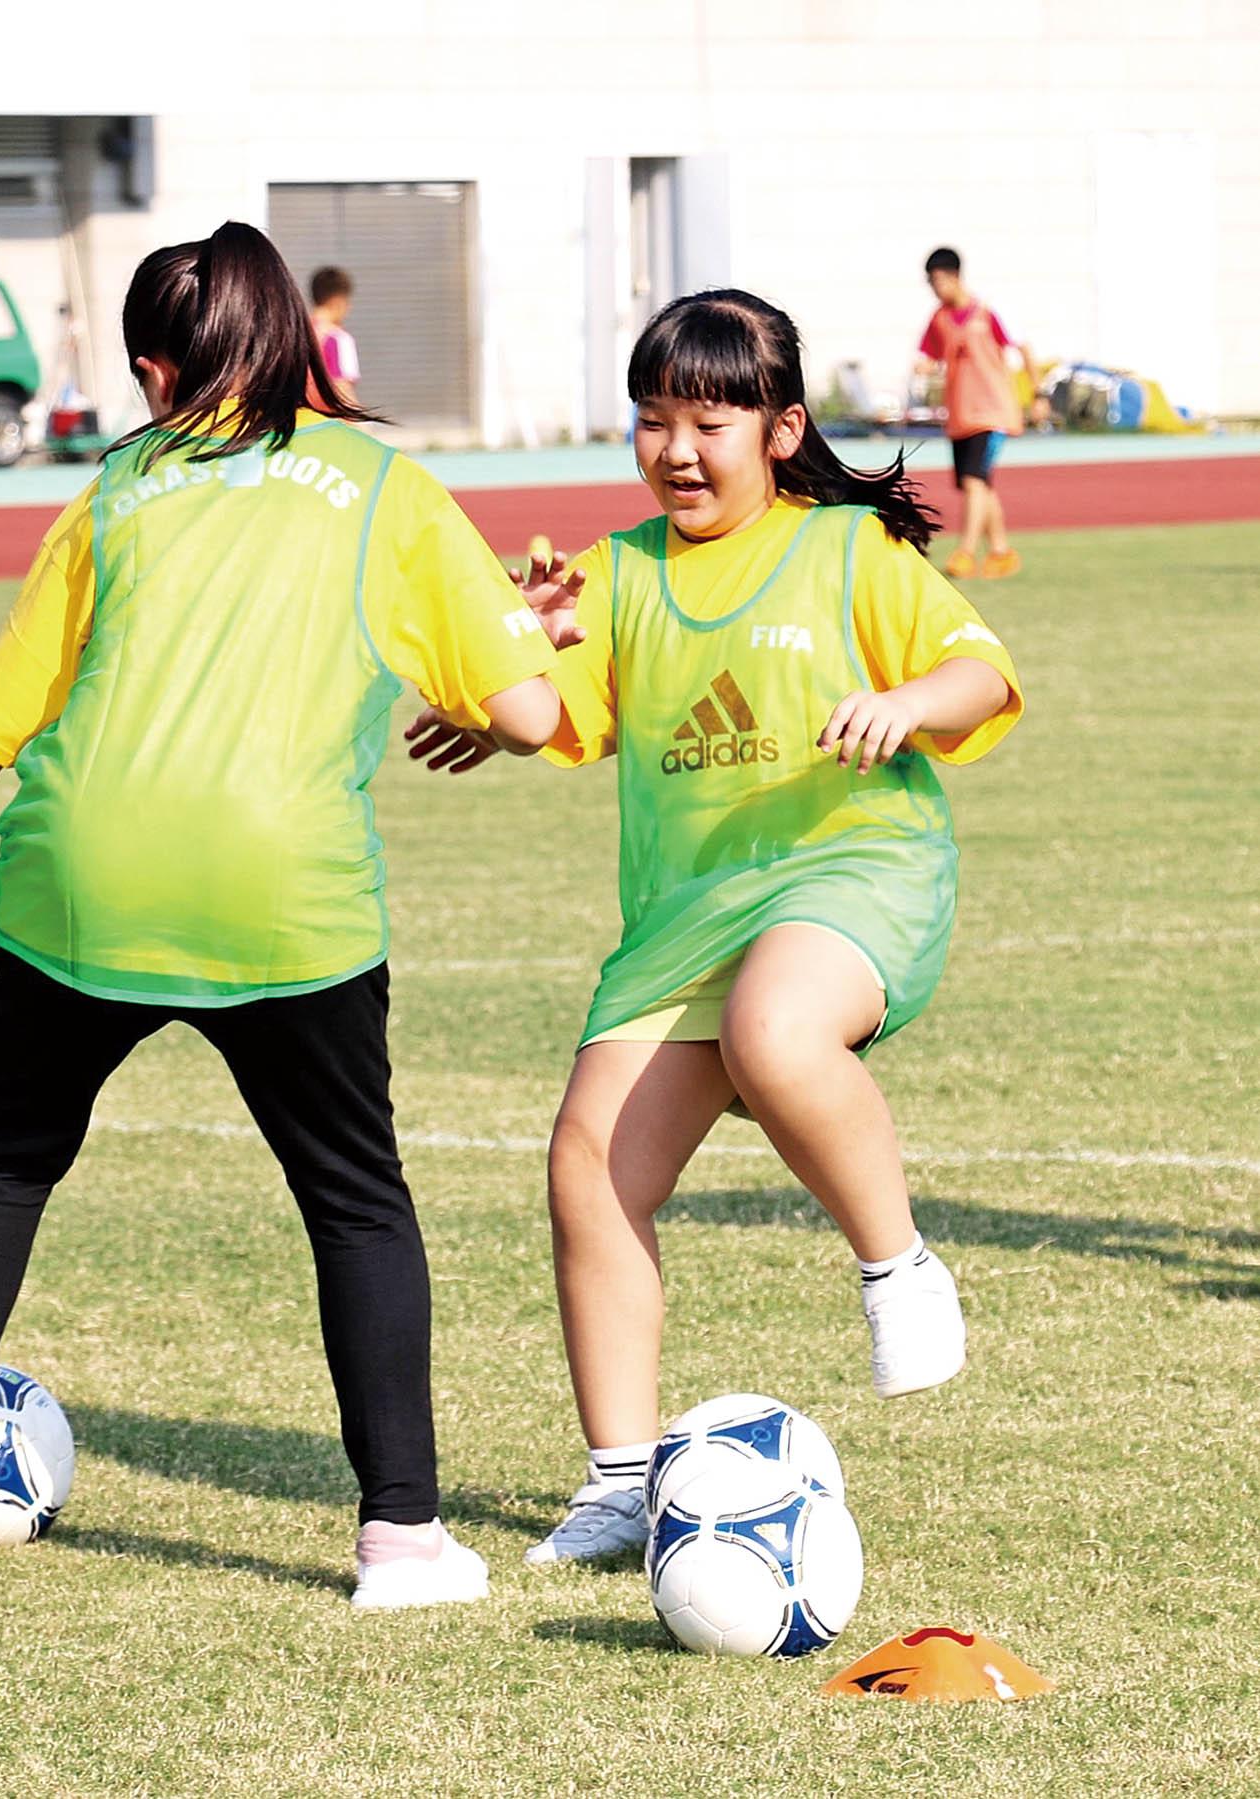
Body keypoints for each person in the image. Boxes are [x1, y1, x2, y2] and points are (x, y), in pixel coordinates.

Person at [0, 221, 572, 1608]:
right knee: (355, 1202)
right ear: (294, 332)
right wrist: (507, 640)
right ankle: (401, 1537)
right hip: (281, 897)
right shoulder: (382, 483)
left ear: (156, 367)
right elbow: (527, 711)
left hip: (80, 880)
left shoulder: (115, 489)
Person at [412, 289, 1022, 1567]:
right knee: (588, 1164)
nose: (676, 449)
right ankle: (621, 1482)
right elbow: (545, 707)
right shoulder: (617, 570)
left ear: (782, 428)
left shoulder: (847, 550)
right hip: (684, 912)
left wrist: (909, 700)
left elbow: (984, 674)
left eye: (707, 420)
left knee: (777, 1033)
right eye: (650, 421)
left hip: (851, 861)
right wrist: (508, 668)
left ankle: (897, 1267)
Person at [917, 247, 1040, 579]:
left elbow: (1024, 349)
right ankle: (1001, 551)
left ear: (954, 276)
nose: (935, 288)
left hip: (993, 412)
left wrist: (1038, 393)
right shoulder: (939, 318)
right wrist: (922, 368)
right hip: (961, 415)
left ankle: (966, 552)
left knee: (974, 480)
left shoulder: (988, 311)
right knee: (979, 485)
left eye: (938, 281)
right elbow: (929, 355)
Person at [309, 266, 360, 405]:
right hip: (330, 422)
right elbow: (342, 389)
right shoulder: (337, 339)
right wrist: (359, 426)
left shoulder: (295, 333)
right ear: (338, 301)